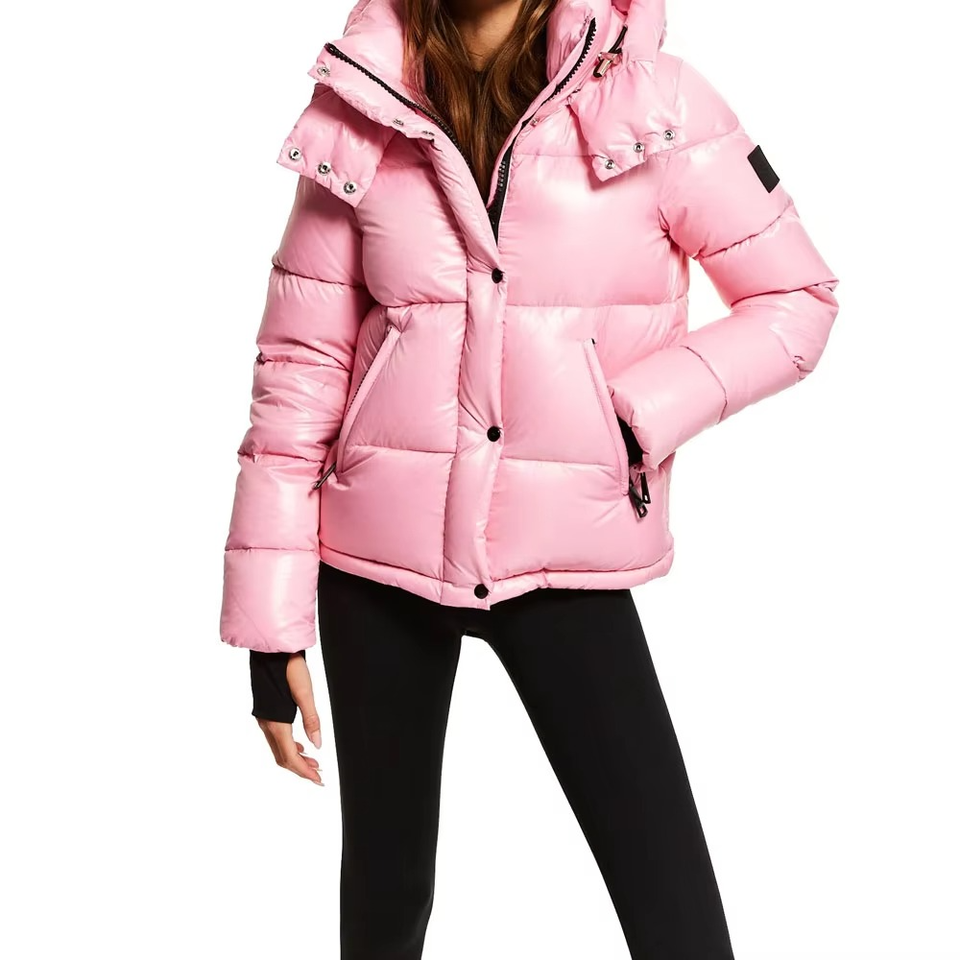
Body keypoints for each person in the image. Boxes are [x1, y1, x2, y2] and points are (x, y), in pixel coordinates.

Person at [219, 0, 840, 956]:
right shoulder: (362, 96)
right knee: (383, 904)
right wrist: (270, 627)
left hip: (564, 561)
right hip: (375, 562)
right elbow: (301, 365)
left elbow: (796, 298)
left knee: (673, 912)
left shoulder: (654, 99)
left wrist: (632, 415)